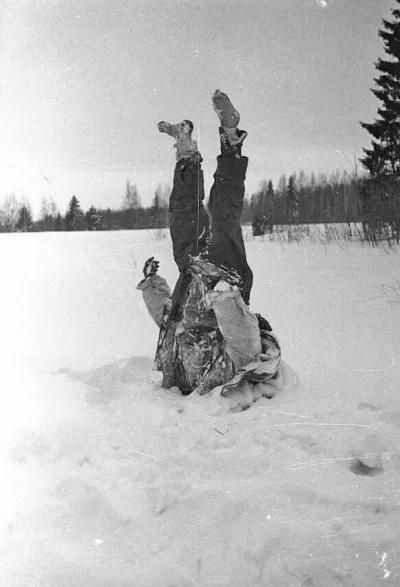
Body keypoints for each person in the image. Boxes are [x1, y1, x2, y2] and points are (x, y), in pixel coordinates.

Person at [137, 90, 282, 407]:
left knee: (182, 214)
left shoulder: (178, 363)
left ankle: (185, 151)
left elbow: (165, 317)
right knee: (223, 211)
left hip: (191, 271)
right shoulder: (230, 365)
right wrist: (226, 296)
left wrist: (151, 286)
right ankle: (231, 138)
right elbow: (242, 339)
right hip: (224, 273)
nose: (191, 352)